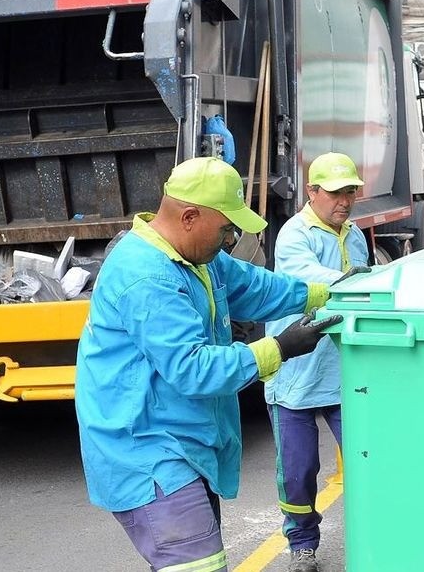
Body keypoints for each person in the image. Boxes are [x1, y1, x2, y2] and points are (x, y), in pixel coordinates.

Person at [76, 156, 345, 572]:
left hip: (182, 442)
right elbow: (193, 368)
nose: (231, 237)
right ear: (188, 216)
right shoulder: (147, 276)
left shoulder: (197, 257)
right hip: (147, 450)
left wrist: (329, 293)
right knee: (199, 565)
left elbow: (255, 286)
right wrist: (280, 348)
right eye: (226, 227)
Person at [264, 153, 371, 572]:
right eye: (335, 192)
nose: (344, 201)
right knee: (298, 472)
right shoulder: (295, 235)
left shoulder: (354, 234)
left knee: (369, 460)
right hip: (296, 377)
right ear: (312, 192)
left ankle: (376, 535)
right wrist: (365, 279)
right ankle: (302, 545)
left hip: (345, 374)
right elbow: (315, 281)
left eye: (350, 192)